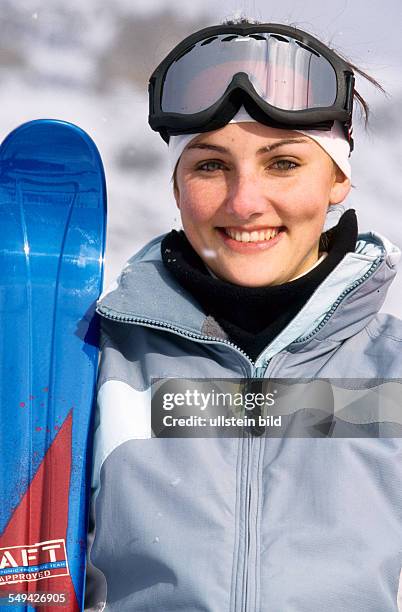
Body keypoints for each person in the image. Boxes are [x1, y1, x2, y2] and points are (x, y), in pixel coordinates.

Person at [85, 19, 402, 612]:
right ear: (176, 185)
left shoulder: (393, 371)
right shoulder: (96, 363)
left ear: (338, 179)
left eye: (283, 164)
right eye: (209, 166)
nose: (245, 201)